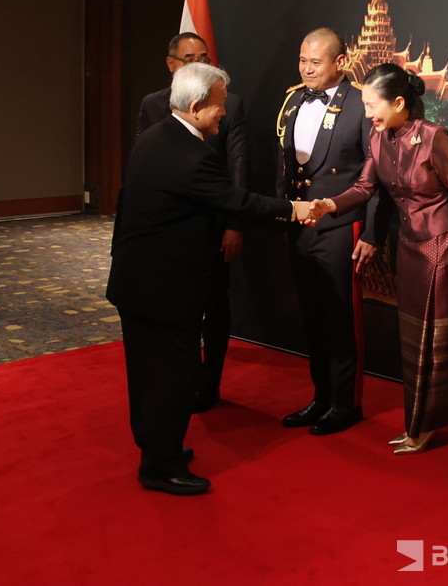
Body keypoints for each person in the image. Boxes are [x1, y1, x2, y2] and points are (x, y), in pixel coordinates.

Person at [107, 63, 311, 495]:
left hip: (138, 282)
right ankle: (160, 467)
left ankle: (159, 447)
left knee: (147, 374)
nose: (225, 112)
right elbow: (235, 201)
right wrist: (292, 209)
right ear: (197, 106)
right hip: (164, 289)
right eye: (219, 105)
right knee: (174, 376)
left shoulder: (158, 136)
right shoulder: (193, 156)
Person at [305, 63, 448, 453]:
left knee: (435, 336)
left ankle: (426, 425)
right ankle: (417, 422)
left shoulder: (435, 137)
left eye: (372, 105)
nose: (367, 114)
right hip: (408, 246)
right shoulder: (381, 138)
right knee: (412, 336)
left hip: (441, 244)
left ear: (398, 102)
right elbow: (364, 186)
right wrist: (329, 204)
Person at [136, 32, 248, 413]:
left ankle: (209, 385)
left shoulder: (229, 104)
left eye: (205, 56)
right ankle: (179, 392)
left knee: (216, 307)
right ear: (171, 64)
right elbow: (141, 174)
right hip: (173, 238)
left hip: (217, 226)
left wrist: (235, 223)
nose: (200, 63)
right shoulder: (154, 107)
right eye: (189, 58)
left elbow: (238, 170)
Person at [277, 28, 381, 435]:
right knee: (312, 316)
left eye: (315, 62)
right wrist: (281, 213)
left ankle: (345, 403)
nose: (306, 69)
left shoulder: (360, 104)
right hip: (299, 224)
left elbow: (375, 178)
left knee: (341, 316)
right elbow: (282, 167)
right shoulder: (291, 100)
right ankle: (320, 397)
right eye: (302, 60)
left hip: (341, 224)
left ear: (340, 61)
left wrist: (371, 233)